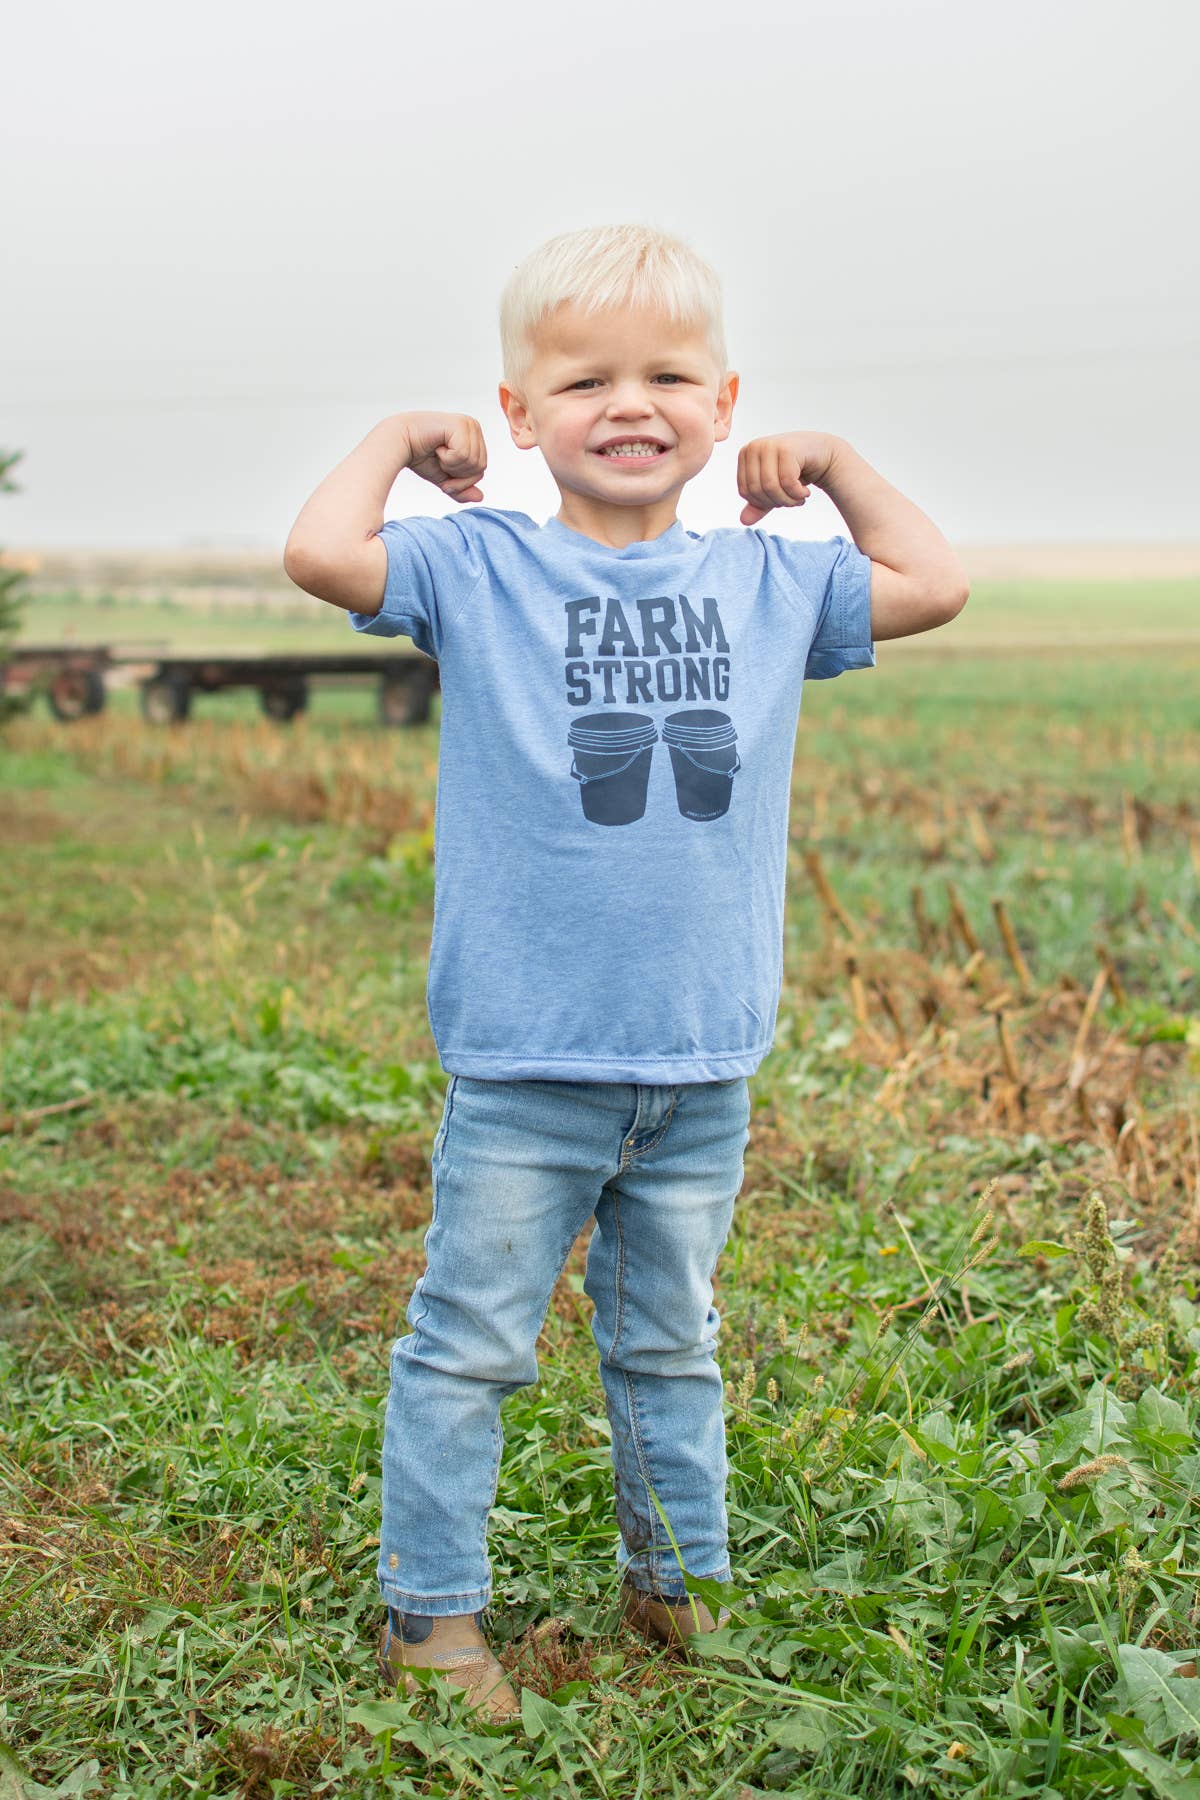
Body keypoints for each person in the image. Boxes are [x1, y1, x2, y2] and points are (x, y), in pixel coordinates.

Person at [283, 223, 969, 1721]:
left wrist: (836, 466)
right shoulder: (478, 566)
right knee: (469, 1346)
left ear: (726, 405)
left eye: (667, 375)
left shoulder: (770, 583)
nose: (629, 404)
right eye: (584, 380)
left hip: (701, 1062)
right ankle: (434, 1621)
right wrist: (396, 444)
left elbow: (933, 582)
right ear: (520, 415)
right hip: (527, 1062)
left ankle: (678, 1586)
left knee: (671, 1347)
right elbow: (323, 555)